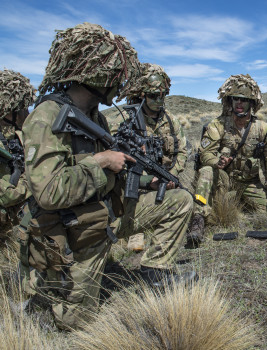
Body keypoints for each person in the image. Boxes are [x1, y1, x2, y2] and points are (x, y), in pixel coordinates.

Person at [23, 23, 193, 331]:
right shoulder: (46, 117)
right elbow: (47, 193)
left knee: (179, 200)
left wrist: (146, 181)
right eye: (116, 76)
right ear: (97, 75)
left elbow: (114, 173)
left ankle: (155, 274)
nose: (120, 85)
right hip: (73, 234)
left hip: (103, 217)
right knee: (74, 323)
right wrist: (101, 160)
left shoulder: (95, 117)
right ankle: (44, 292)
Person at [187, 74, 267, 244]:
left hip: (249, 183)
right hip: (224, 180)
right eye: (235, 99)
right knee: (207, 170)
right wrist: (217, 162)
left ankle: (240, 201)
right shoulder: (218, 125)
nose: (239, 103)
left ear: (251, 103)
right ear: (229, 101)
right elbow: (205, 153)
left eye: (243, 100)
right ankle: (198, 219)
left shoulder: (264, 130)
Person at [110, 63, 188, 252]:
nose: (159, 100)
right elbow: (114, 160)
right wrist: (146, 180)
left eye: (162, 95)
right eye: (153, 96)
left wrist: (170, 176)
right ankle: (135, 229)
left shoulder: (171, 121)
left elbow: (182, 152)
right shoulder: (126, 121)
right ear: (141, 95)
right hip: (137, 183)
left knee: (185, 198)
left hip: (165, 176)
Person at [0, 69, 34, 241]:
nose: (27, 114)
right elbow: (7, 196)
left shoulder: (14, 136)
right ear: (6, 111)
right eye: (21, 109)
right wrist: (33, 180)